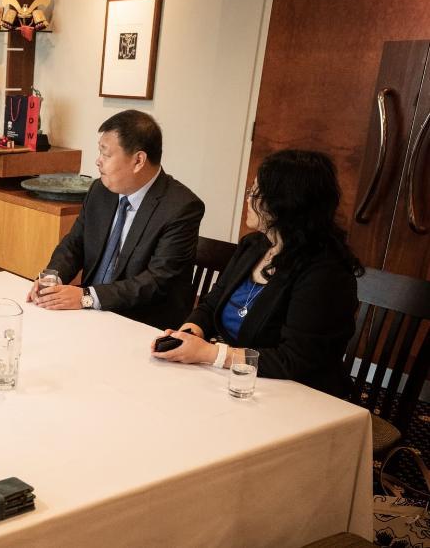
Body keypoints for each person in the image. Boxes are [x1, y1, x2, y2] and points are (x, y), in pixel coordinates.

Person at [151, 150, 363, 398]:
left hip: (299, 395)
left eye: (255, 193)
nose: (248, 199)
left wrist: (211, 353)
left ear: (285, 203)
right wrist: (190, 332)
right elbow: (211, 304)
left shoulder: (325, 272)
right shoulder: (254, 245)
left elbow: (294, 360)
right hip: (239, 380)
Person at [29, 110, 204, 329]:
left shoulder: (180, 208)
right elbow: (74, 244)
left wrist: (86, 296)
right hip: (91, 317)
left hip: (141, 325)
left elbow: (155, 281)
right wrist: (52, 278)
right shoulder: (100, 191)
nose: (98, 161)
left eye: (106, 154)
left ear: (138, 160)